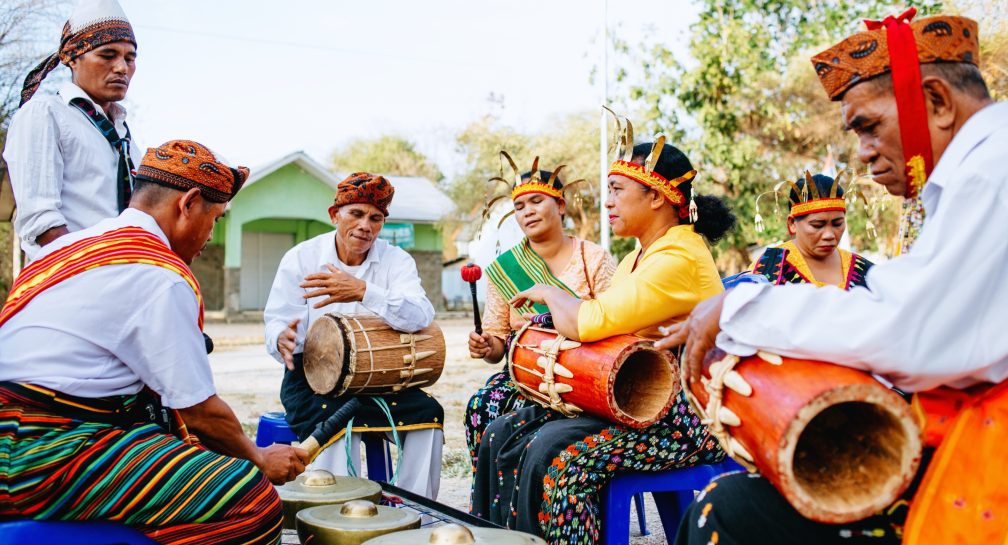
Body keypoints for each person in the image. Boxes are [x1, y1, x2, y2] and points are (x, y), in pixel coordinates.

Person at [657, 10, 1008, 545]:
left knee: (726, 512)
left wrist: (738, 309)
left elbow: (910, 332)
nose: (864, 152)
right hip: (964, 428)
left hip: (1002, 456)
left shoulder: (998, 172)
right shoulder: (992, 165)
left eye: (870, 126)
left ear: (938, 102)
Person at [0, 140, 306, 544]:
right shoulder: (158, 273)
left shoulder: (66, 248)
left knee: (195, 449)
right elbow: (199, 412)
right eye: (214, 219)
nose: (211, 236)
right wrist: (259, 457)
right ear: (189, 204)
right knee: (251, 500)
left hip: (24, 430)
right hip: (40, 452)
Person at [471, 130, 736, 544]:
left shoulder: (679, 257)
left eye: (616, 189)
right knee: (504, 432)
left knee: (560, 458)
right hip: (640, 397)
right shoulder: (639, 255)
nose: (608, 201)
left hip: (685, 418)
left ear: (656, 197)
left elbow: (590, 323)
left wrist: (550, 293)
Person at [264, 172, 444, 499]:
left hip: (379, 378)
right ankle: (335, 513)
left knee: (428, 414)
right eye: (356, 214)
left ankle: (413, 509)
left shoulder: (396, 260)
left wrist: (363, 291)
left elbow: (421, 314)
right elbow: (276, 321)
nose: (366, 225)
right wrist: (282, 339)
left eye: (375, 218)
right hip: (312, 377)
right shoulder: (301, 258)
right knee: (331, 420)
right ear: (335, 215)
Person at [465, 157, 617, 478]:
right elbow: (497, 345)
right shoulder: (504, 269)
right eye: (519, 206)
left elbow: (616, 322)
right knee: (482, 406)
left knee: (544, 429)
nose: (528, 211)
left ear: (560, 206)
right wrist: (485, 346)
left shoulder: (594, 259)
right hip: (524, 378)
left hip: (584, 375)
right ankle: (496, 510)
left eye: (537, 201)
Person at [4, 0, 142, 261]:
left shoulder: (126, 138)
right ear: (72, 58)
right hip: (69, 282)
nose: (122, 67)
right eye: (108, 55)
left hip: (121, 280)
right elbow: (41, 222)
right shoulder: (45, 114)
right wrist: (96, 271)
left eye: (130, 58)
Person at [751, 172, 873, 288]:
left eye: (837, 224)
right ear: (792, 223)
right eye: (817, 225)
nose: (829, 235)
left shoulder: (864, 270)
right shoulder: (769, 268)